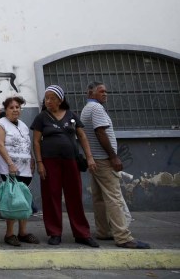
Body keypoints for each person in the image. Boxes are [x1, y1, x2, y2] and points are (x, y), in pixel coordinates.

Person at [80, 82, 151, 249]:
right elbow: (100, 132)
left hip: (95, 160)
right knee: (114, 198)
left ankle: (103, 231)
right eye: (101, 91)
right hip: (104, 160)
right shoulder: (96, 109)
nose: (105, 94)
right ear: (91, 93)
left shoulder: (87, 108)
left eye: (106, 91)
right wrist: (113, 156)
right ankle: (123, 237)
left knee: (99, 198)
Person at [31, 85, 98, 247]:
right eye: (46, 98)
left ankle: (82, 233)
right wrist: (40, 163)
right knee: (51, 196)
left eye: (52, 98)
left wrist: (90, 158)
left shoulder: (71, 115)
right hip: (49, 162)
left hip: (71, 161)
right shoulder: (41, 118)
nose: (48, 101)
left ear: (60, 100)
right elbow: (36, 142)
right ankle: (54, 233)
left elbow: (82, 136)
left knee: (74, 196)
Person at [0, 96, 38, 247]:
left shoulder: (24, 125)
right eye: (11, 107)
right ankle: (9, 233)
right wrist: (10, 164)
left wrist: (31, 158)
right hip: (9, 169)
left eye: (17, 107)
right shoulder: (0, 124)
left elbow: (26, 144)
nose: (15, 110)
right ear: (5, 110)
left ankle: (23, 232)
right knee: (12, 200)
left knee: (24, 199)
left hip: (25, 169)